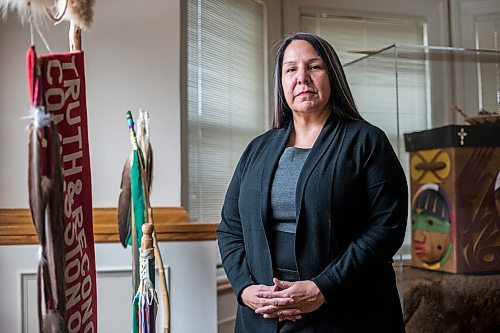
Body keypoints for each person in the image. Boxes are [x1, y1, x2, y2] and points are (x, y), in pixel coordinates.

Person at [216, 32, 408, 332]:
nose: (302, 78)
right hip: (262, 316)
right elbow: (230, 228)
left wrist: (324, 287)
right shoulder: (257, 149)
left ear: (332, 75)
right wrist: (244, 289)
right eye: (291, 69)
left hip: (346, 312)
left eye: (314, 67)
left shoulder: (367, 142)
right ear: (281, 83)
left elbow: (386, 229)